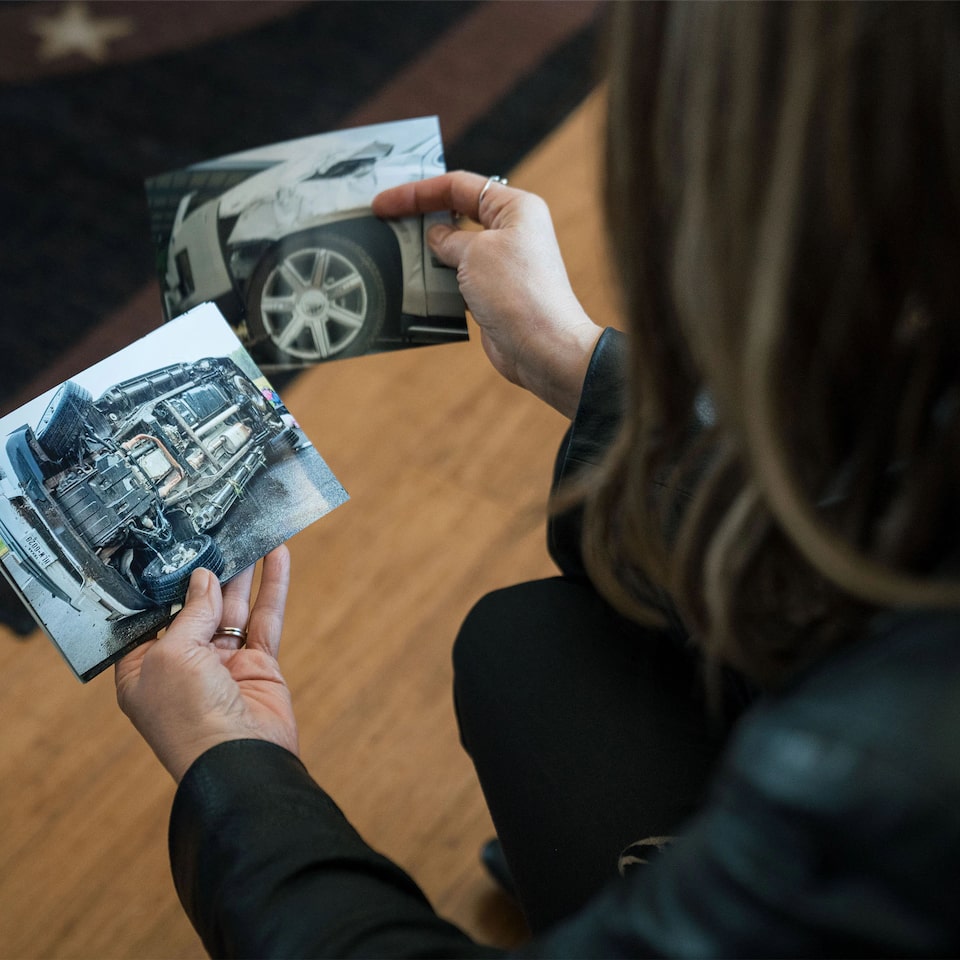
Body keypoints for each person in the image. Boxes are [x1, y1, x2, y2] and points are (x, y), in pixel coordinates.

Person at [116, 2, 960, 956]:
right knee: (527, 649)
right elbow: (863, 532)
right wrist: (572, 358)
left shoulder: (881, 778)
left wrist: (232, 772)